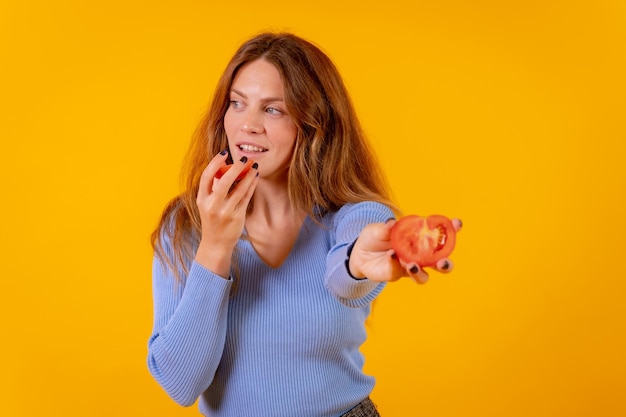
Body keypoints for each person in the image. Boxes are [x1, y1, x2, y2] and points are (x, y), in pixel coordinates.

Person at [147, 32, 459, 417]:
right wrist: (215, 246)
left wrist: (356, 264)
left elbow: (344, 275)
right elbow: (181, 384)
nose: (248, 125)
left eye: (273, 110)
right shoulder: (186, 227)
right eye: (237, 103)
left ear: (313, 124)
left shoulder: (354, 215)